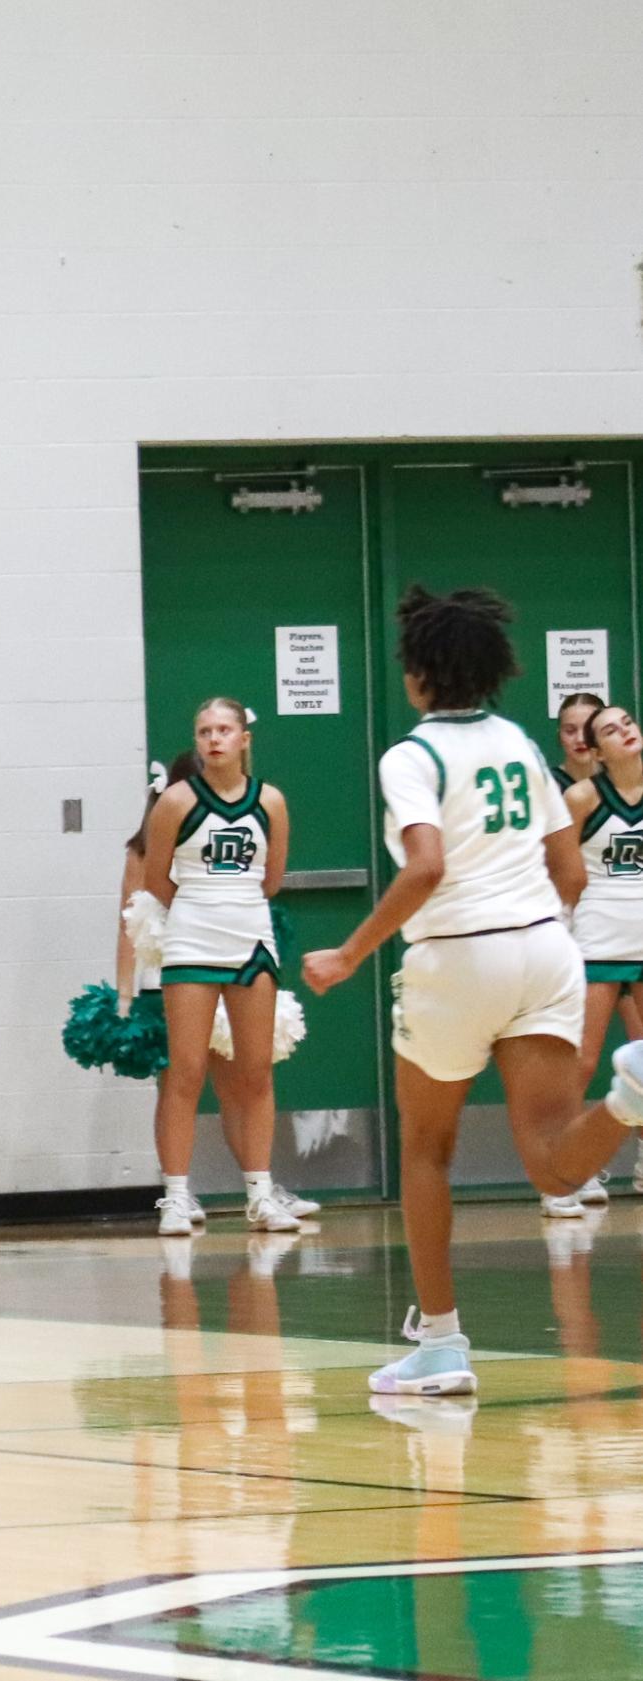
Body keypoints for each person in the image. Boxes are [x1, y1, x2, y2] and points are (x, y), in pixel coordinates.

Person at [304, 585, 643, 1398]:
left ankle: (442, 1344)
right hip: (546, 945)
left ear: (419, 673)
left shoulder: (410, 755)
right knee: (557, 1164)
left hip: (459, 955)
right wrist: (531, 932)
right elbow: (569, 870)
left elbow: (425, 866)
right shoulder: (524, 744)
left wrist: (350, 952)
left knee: (426, 1149)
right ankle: (632, 1095)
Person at [119, 757, 321, 1235]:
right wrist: (124, 993)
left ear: (243, 744)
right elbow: (143, 900)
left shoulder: (267, 801)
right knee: (183, 1076)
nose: (215, 744)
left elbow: (270, 881)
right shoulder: (160, 828)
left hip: (246, 952)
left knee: (247, 1080)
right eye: (205, 733)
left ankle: (261, 1189)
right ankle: (176, 1194)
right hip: (183, 955)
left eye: (224, 732)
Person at [561, 702, 643, 1208]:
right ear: (596, 751)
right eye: (612, 731)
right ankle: (568, 1173)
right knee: (583, 1060)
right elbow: (561, 873)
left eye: (628, 723)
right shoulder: (582, 798)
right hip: (596, 939)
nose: (626, 733)